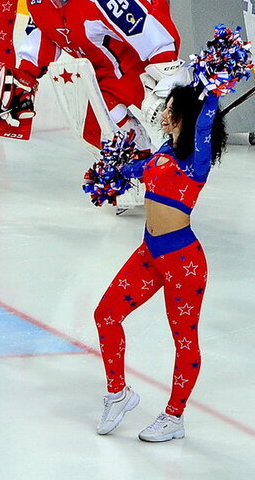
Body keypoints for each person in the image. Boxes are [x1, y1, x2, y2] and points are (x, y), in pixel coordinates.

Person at [92, 82, 229, 442]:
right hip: (150, 252)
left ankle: (174, 416)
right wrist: (114, 173)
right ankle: (118, 393)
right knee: (105, 315)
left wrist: (213, 89)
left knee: (184, 340)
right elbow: (146, 170)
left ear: (186, 115)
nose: (163, 113)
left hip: (183, 261)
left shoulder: (196, 157)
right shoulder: (167, 148)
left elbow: (205, 122)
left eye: (170, 108)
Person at [0, 0, 186, 154]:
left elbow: (142, 24)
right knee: (96, 129)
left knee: (167, 116)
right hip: (100, 70)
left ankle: (183, 156)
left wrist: (165, 70)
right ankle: (143, 159)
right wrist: (25, 77)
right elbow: (44, 33)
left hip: (132, 61)